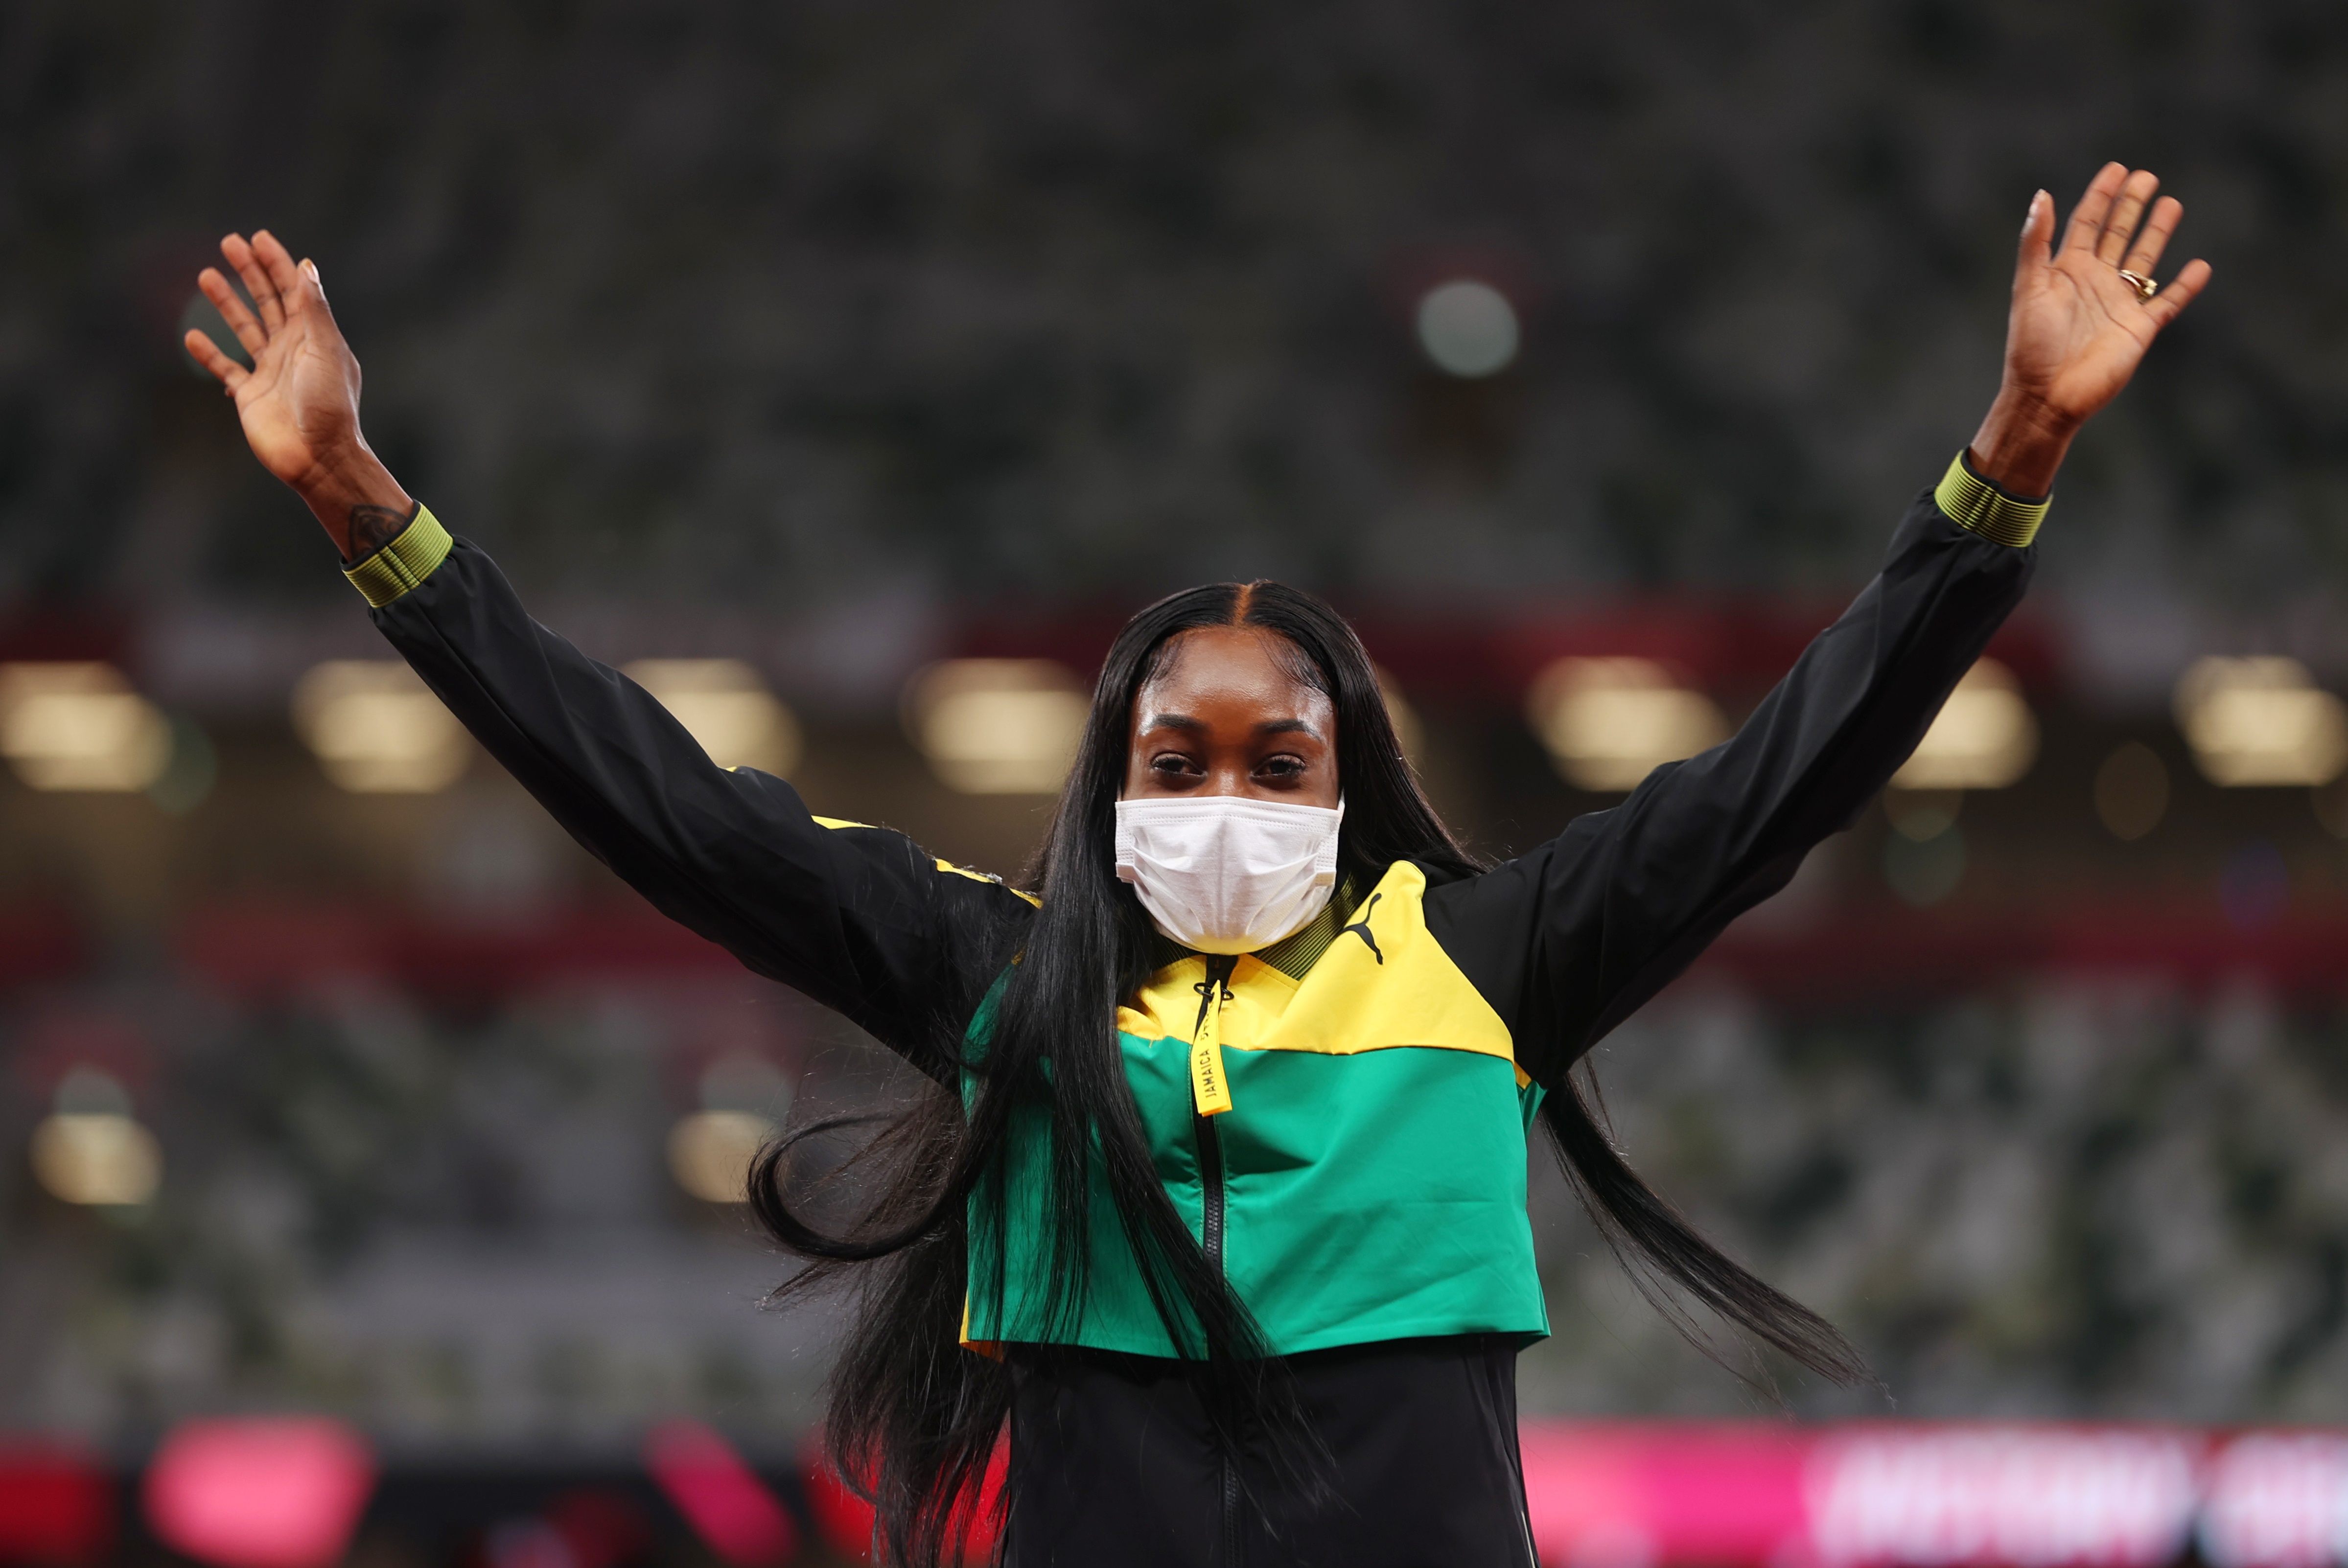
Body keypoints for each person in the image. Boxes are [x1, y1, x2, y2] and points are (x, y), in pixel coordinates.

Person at [188, 163, 2208, 1568]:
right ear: (1107, 779)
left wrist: (2010, 454)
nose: (1224, 791)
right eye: (1178, 756)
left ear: (1350, 783)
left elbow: (1799, 761)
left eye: (1277, 754)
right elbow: (657, 798)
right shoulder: (999, 982)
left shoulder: (1486, 961)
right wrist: (369, 506)